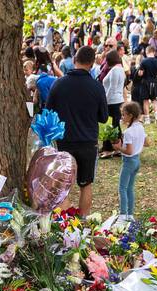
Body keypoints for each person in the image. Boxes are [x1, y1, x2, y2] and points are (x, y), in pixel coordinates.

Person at [42, 45, 107, 216]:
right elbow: (104, 117)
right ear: (92, 63)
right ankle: (84, 221)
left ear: (74, 60)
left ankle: (66, 225)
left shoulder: (59, 84)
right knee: (86, 184)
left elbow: (48, 112)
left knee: (63, 185)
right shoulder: (96, 86)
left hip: (64, 141)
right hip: (88, 142)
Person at [112, 101, 145, 216]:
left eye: (123, 115)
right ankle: (130, 214)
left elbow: (129, 151)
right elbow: (147, 142)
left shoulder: (128, 132)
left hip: (129, 162)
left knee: (122, 188)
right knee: (130, 188)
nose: (122, 117)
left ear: (130, 115)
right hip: (137, 161)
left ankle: (123, 214)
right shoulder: (140, 126)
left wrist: (118, 148)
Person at [99, 51, 125, 157]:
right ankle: (117, 147)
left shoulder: (115, 70)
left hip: (112, 101)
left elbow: (112, 88)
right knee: (115, 125)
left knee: (109, 125)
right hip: (117, 100)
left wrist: (105, 101)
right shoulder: (120, 69)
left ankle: (108, 148)